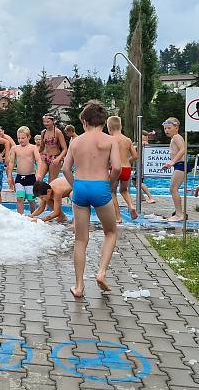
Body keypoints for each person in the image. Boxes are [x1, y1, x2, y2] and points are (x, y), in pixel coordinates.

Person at [62, 100, 121, 297]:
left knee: (80, 239)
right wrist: (110, 184)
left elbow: (65, 168)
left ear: (85, 122)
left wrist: (74, 185)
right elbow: (118, 168)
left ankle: (79, 286)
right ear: (103, 121)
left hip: (80, 186)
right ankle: (102, 272)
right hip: (100, 186)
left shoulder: (75, 141)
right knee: (111, 232)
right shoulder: (110, 140)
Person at [107, 116, 138, 222]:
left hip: (115, 168)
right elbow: (135, 156)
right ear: (121, 126)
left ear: (109, 127)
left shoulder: (110, 139)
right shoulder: (127, 140)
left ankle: (118, 217)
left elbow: (107, 157)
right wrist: (127, 162)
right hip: (126, 169)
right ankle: (131, 206)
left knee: (112, 192)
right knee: (124, 190)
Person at [8, 126, 41, 214]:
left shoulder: (33, 148)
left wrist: (38, 173)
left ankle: (33, 215)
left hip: (31, 177)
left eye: (23, 138)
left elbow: (38, 160)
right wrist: (9, 176)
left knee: (31, 199)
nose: (20, 140)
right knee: (20, 198)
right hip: (19, 178)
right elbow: (11, 163)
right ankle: (20, 217)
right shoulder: (15, 148)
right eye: (19, 138)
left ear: (29, 137)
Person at [161, 117, 187, 222]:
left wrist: (172, 162)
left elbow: (183, 150)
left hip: (181, 165)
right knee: (173, 189)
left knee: (173, 189)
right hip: (179, 165)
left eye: (169, 128)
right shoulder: (175, 138)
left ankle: (179, 214)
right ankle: (179, 213)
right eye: (165, 128)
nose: (166, 130)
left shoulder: (176, 137)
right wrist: (170, 164)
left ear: (176, 128)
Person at [38, 114, 67, 182]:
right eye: (44, 122)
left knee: (51, 182)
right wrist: (34, 154)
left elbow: (65, 148)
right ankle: (40, 192)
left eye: (48, 121)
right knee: (38, 178)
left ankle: (50, 192)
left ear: (52, 121)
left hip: (55, 158)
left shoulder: (58, 132)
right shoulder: (43, 132)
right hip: (45, 157)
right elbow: (41, 147)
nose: (46, 123)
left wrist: (58, 159)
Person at [135, 130, 157, 204]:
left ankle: (150, 197)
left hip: (141, 166)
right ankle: (141, 197)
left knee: (139, 182)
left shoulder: (143, 143)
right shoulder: (146, 144)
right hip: (142, 165)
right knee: (135, 181)